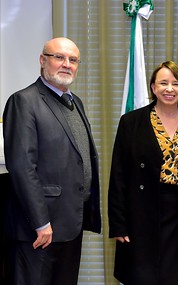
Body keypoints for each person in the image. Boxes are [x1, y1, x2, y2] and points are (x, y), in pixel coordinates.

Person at [2, 37, 101, 285]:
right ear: (42, 60)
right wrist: (41, 222)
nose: (66, 64)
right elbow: (22, 166)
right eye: (59, 57)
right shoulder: (23, 101)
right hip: (38, 230)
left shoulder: (74, 102)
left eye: (73, 60)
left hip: (69, 226)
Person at [108, 61, 178, 285]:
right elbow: (118, 175)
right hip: (141, 213)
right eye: (163, 83)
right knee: (144, 276)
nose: (169, 89)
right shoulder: (131, 122)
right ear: (153, 87)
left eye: (175, 83)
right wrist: (118, 223)